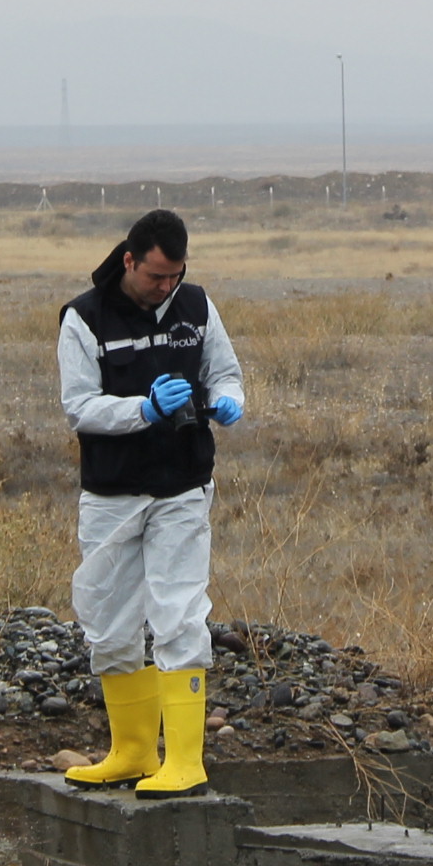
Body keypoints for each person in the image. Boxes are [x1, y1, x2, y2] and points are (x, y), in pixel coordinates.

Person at [57, 207, 247, 795]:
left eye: (176, 276)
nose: (167, 287)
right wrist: (142, 409)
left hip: (183, 486)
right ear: (129, 260)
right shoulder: (84, 320)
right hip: (113, 492)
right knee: (109, 623)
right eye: (156, 276)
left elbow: (226, 372)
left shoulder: (197, 306)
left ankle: (185, 760)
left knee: (179, 613)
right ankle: (132, 751)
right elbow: (79, 407)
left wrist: (227, 398)